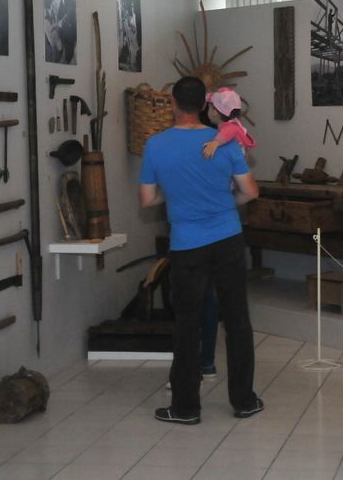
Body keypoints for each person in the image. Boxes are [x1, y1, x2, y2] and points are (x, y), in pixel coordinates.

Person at [139, 76, 263, 425]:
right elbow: (250, 192)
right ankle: (244, 401)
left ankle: (185, 408)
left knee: (187, 323)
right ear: (205, 106)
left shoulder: (156, 145)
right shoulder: (226, 139)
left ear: (173, 104)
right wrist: (223, 203)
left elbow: (147, 199)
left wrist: (175, 196)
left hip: (187, 244)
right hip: (228, 239)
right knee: (237, 319)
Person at [202, 87, 256, 159]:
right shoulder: (233, 123)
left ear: (214, 112)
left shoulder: (231, 127)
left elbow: (228, 132)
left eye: (208, 107)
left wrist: (215, 143)